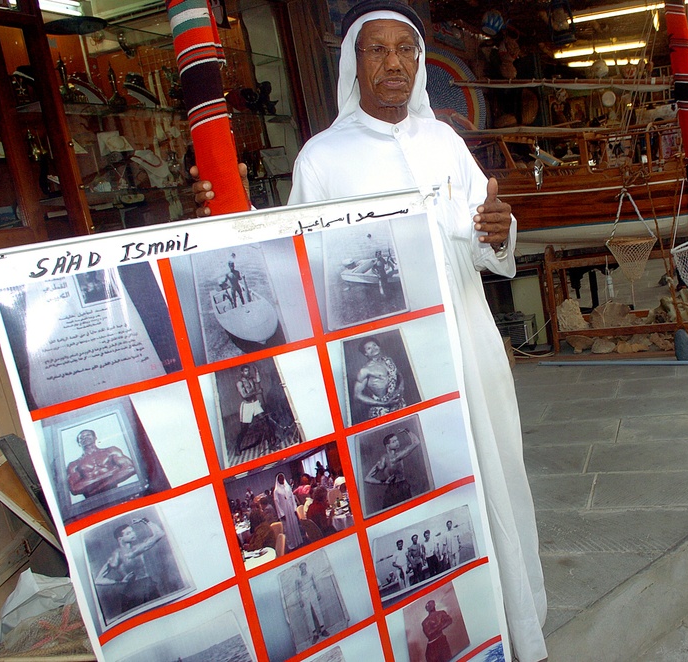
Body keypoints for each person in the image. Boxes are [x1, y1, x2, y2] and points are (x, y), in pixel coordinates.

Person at [192, 2, 546, 658]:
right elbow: (296, 275)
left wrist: (500, 233)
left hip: (471, 346)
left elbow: (485, 235)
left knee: (498, 481)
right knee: (421, 488)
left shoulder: (445, 142)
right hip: (384, 367)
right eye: (377, 50)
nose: (394, 64)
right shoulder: (323, 161)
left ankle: (516, 629)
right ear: (354, 64)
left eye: (406, 51)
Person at [94, 517, 166, 613]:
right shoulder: (126, 553)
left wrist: (145, 520)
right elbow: (98, 580)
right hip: (133, 591)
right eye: (128, 533)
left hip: (146, 586)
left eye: (132, 531)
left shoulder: (134, 549)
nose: (133, 534)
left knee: (159, 613)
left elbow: (160, 534)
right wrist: (120, 582)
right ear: (120, 539)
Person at [66, 428, 137, 498]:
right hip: (92, 501)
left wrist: (98, 487)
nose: (85, 438)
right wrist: (109, 473)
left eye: (88, 435)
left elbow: (131, 468)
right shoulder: (74, 465)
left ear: (95, 437)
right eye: (82, 438)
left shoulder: (110, 451)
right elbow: (74, 489)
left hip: (114, 493)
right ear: (79, 443)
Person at [364, 427, 421, 509]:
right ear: (388, 446)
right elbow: (416, 442)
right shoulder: (397, 456)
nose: (397, 442)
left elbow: (367, 478)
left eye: (397, 440)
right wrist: (407, 430)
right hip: (401, 488)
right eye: (394, 441)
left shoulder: (381, 460)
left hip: (394, 489)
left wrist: (382, 482)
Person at [353, 337, 407, 419]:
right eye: (369, 348)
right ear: (365, 353)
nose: (373, 349)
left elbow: (398, 374)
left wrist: (400, 388)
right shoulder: (365, 370)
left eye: (374, 345)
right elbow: (357, 396)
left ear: (379, 347)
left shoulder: (388, 360)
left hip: (399, 404)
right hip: (382, 410)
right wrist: (385, 404)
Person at [295, 561, 330, 642]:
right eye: (301, 567)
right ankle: (315, 634)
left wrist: (317, 592)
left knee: (318, 610)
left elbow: (314, 583)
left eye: (304, 567)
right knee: (308, 614)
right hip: (304, 595)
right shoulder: (298, 579)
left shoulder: (310, 574)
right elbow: (297, 590)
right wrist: (300, 600)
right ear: (300, 569)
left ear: (306, 566)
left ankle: (323, 630)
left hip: (312, 592)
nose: (303, 569)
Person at [272, 472, 303, 551]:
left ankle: (298, 541)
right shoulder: (276, 491)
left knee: (294, 525)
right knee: (288, 529)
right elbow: (277, 503)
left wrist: (295, 509)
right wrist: (282, 514)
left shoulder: (288, 487)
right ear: (277, 480)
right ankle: (291, 545)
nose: (282, 480)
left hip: (291, 510)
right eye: (280, 479)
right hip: (284, 512)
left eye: (282, 478)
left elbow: (292, 498)